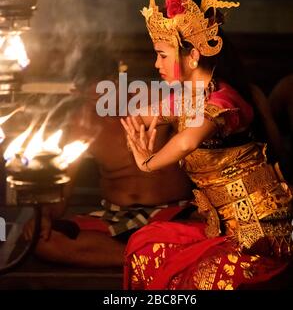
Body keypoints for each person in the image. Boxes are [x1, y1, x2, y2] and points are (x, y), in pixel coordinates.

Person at [121, 0, 293, 290]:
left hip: (263, 238)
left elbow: (188, 141)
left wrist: (148, 162)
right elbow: (150, 112)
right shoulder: (188, 95)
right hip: (226, 228)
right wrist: (137, 125)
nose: (156, 63)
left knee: (191, 278)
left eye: (162, 54)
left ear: (193, 56)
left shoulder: (224, 99)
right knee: (144, 247)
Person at [23, 47, 193, 268]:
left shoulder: (157, 101)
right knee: (43, 242)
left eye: (106, 93)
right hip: (114, 218)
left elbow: (201, 139)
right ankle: (151, 258)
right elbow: (62, 190)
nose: (101, 104)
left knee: (198, 236)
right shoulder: (81, 124)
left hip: (172, 213)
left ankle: (156, 253)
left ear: (117, 81)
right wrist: (43, 215)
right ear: (78, 91)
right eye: (92, 98)